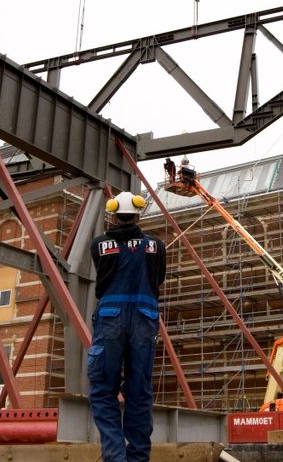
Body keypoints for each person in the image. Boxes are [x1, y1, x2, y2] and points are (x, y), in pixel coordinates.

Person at [88, 191, 167, 462]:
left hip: (110, 316)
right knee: (139, 391)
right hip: (145, 317)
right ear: (138, 213)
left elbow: (103, 266)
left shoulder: (99, 244)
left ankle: (115, 456)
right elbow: (159, 278)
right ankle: (138, 458)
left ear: (112, 213)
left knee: (102, 388)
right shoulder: (156, 245)